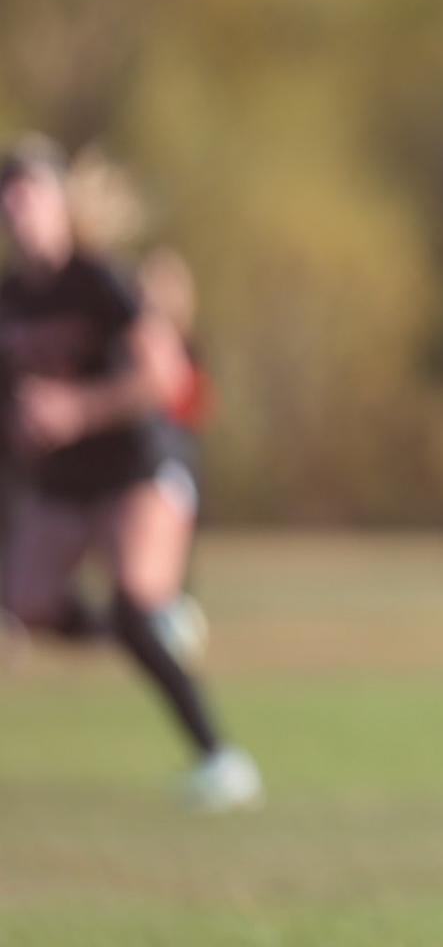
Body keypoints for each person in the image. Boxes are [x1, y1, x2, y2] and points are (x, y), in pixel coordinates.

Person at [0, 137, 261, 812]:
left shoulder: (102, 280)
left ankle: (223, 763)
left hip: (136, 464)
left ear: (61, 202)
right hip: (64, 479)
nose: (17, 205)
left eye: (30, 190)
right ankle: (149, 629)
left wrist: (76, 411)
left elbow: (165, 375)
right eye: (9, 193)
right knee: (24, 603)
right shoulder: (13, 299)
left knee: (132, 599)